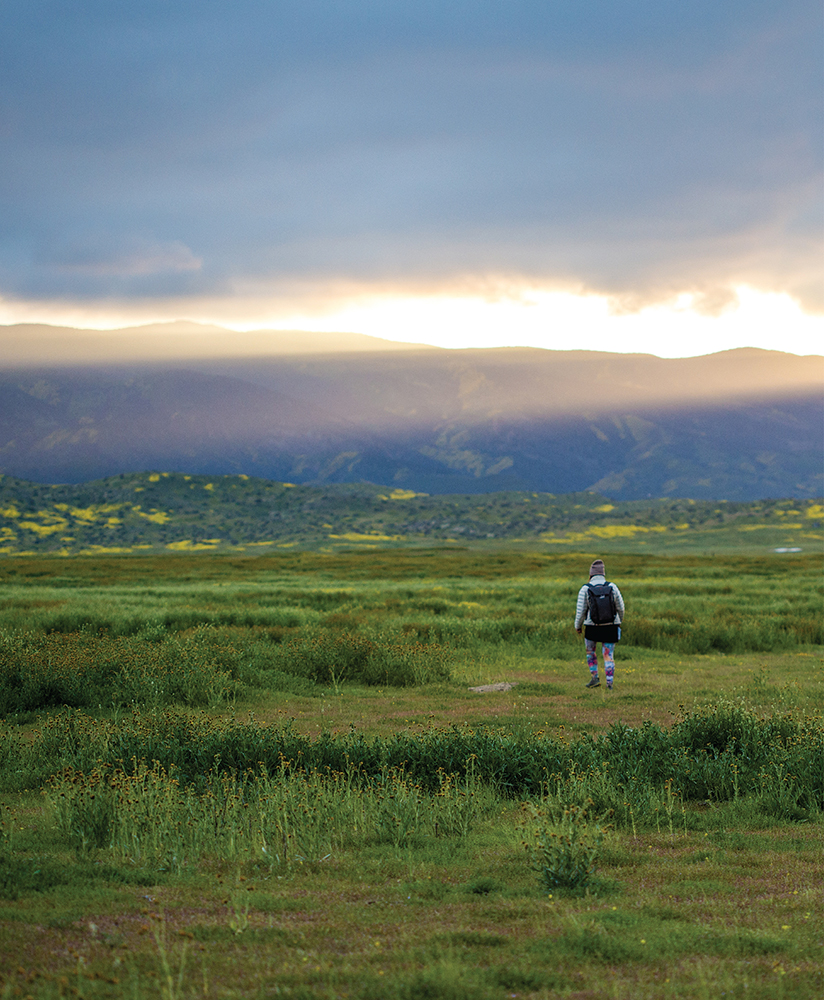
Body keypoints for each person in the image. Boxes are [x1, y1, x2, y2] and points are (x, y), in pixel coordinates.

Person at [574, 558, 624, 691]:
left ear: (591, 574)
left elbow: (581, 611)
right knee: (608, 655)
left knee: (591, 652)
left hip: (592, 627)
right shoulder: (612, 587)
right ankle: (609, 683)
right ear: (603, 573)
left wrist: (578, 626)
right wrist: (619, 621)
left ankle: (595, 678)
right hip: (611, 625)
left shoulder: (585, 588)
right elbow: (621, 608)